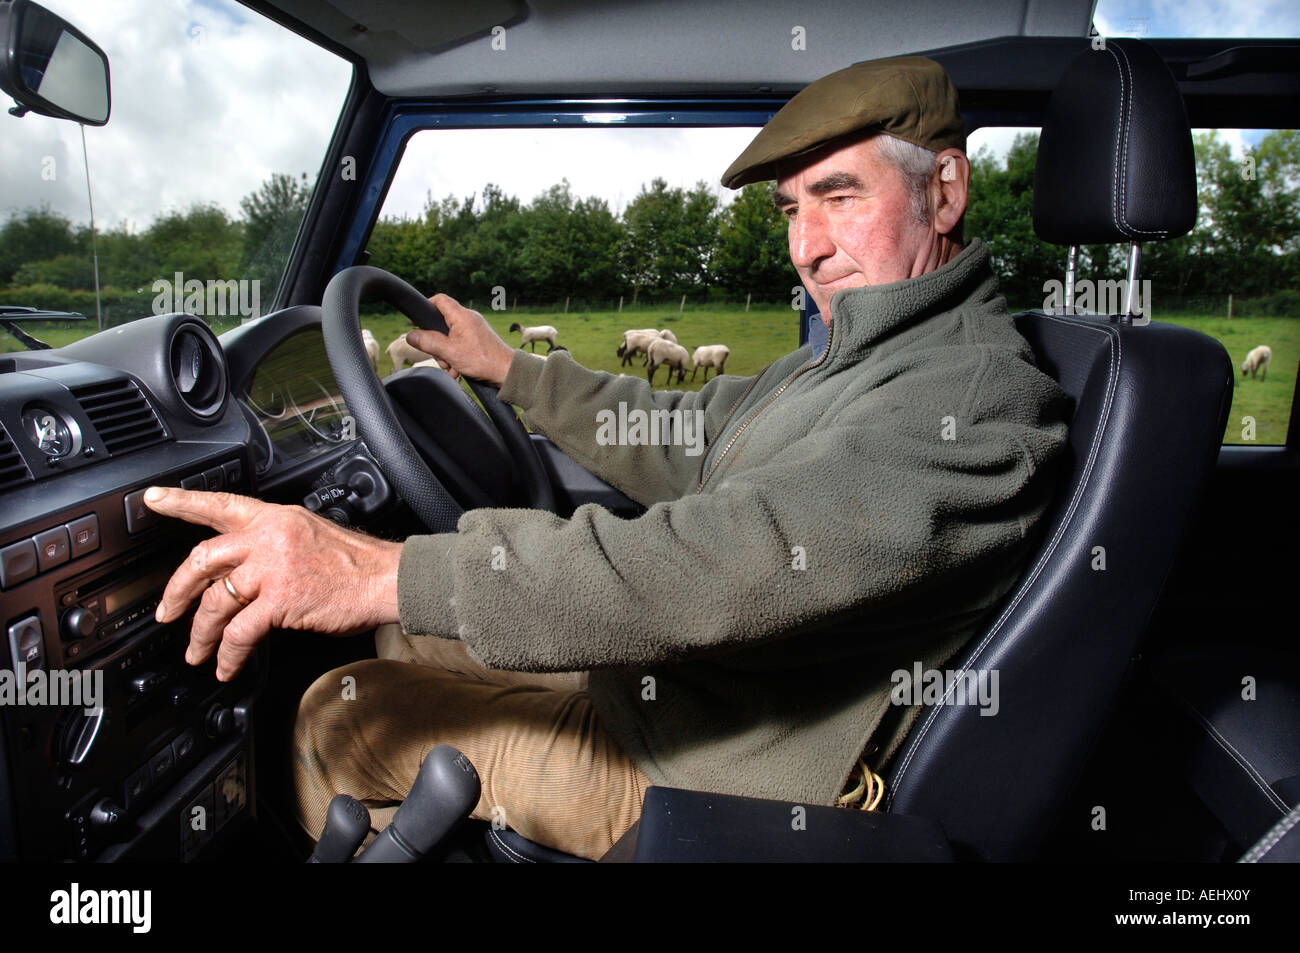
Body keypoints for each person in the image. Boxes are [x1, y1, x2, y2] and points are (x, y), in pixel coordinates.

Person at [144, 55, 1069, 861]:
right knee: (404, 636)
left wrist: (373, 564)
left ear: (945, 191)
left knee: (336, 714)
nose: (807, 249)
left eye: (840, 196)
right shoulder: (859, 352)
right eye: (794, 207)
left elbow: (720, 564)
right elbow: (688, 434)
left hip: (709, 772)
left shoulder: (973, 395)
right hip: (692, 695)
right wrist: (510, 370)